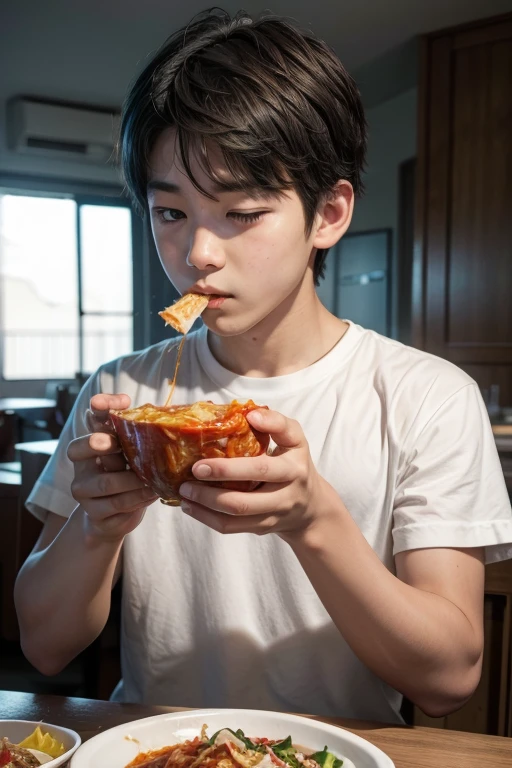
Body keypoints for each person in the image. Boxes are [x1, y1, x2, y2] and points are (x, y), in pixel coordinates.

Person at [15, 8, 512, 724]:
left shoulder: (424, 396)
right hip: (157, 746)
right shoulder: (125, 391)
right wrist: (97, 528)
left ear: (329, 214)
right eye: (170, 213)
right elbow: (43, 646)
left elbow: (451, 676)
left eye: (241, 213)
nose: (198, 255)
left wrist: (314, 521)